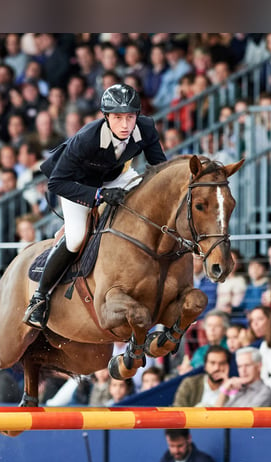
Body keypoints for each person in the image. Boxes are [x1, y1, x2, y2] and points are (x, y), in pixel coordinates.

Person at [23, 83, 167, 329]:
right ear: (106, 117)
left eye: (130, 117)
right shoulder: (87, 139)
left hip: (117, 176)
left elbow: (159, 170)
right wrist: (98, 195)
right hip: (78, 184)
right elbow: (58, 182)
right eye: (118, 118)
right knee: (76, 238)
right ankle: (39, 298)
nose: (125, 125)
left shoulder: (146, 128)